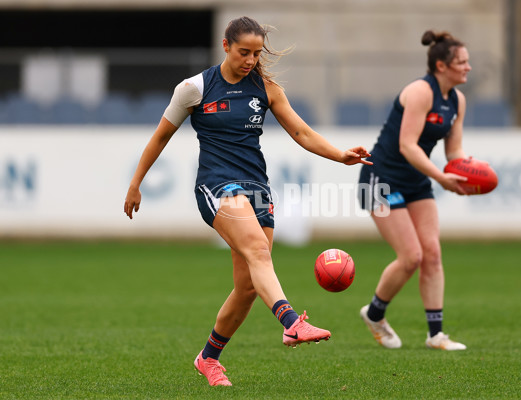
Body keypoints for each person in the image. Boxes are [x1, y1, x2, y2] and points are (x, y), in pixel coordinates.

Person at [123, 16, 372, 387]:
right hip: (216, 186)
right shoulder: (194, 88)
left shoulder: (266, 88)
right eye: (244, 52)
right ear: (226, 46)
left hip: (257, 189)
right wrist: (135, 183)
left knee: (248, 287)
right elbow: (160, 138)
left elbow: (301, 132)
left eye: (256, 53)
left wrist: (341, 156)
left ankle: (208, 358)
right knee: (259, 250)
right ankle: (292, 323)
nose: (251, 60)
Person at [357, 30, 471, 351]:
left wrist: (465, 172)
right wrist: (442, 178)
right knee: (411, 257)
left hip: (415, 181)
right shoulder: (421, 91)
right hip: (380, 178)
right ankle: (375, 314)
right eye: (462, 62)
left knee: (432, 254)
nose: (468, 67)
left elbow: (454, 151)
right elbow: (408, 146)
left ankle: (436, 335)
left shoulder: (457, 100)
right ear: (441, 66)